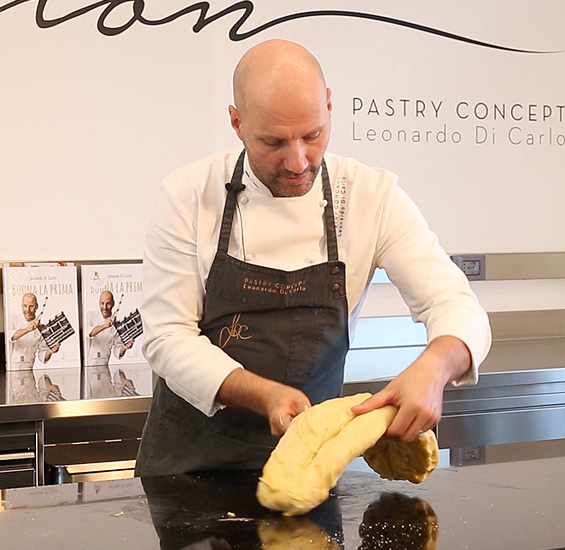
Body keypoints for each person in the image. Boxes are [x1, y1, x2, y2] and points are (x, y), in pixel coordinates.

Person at [136, 39, 491, 476]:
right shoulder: (187, 196)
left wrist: (434, 368)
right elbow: (167, 337)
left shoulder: (370, 197)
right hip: (186, 464)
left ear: (329, 105)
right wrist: (264, 394)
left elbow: (455, 304)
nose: (298, 161)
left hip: (308, 466)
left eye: (313, 135)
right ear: (237, 123)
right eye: (273, 142)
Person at [10, 293, 59, 369]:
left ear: (36, 307)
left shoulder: (41, 329)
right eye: (25, 306)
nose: (27, 310)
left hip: (28, 368)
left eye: (31, 306)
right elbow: (11, 336)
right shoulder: (12, 319)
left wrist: (49, 352)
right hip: (11, 367)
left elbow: (42, 354)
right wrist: (29, 329)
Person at [86, 290, 134, 366]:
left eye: (108, 303)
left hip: (104, 365)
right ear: (99, 303)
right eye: (102, 303)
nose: (104, 307)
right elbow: (89, 333)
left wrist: (124, 348)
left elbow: (117, 351)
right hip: (88, 364)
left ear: (113, 304)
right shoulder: (90, 316)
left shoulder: (116, 326)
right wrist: (105, 325)